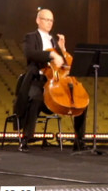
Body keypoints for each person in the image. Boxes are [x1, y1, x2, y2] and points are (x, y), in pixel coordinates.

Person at [13, 8, 87, 152]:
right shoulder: (30, 37)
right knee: (35, 99)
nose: (48, 23)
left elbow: (65, 64)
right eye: (45, 19)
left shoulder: (53, 40)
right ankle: (25, 139)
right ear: (38, 20)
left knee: (82, 102)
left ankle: (79, 141)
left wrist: (62, 49)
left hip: (56, 81)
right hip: (38, 79)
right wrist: (52, 55)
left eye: (51, 20)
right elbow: (31, 53)